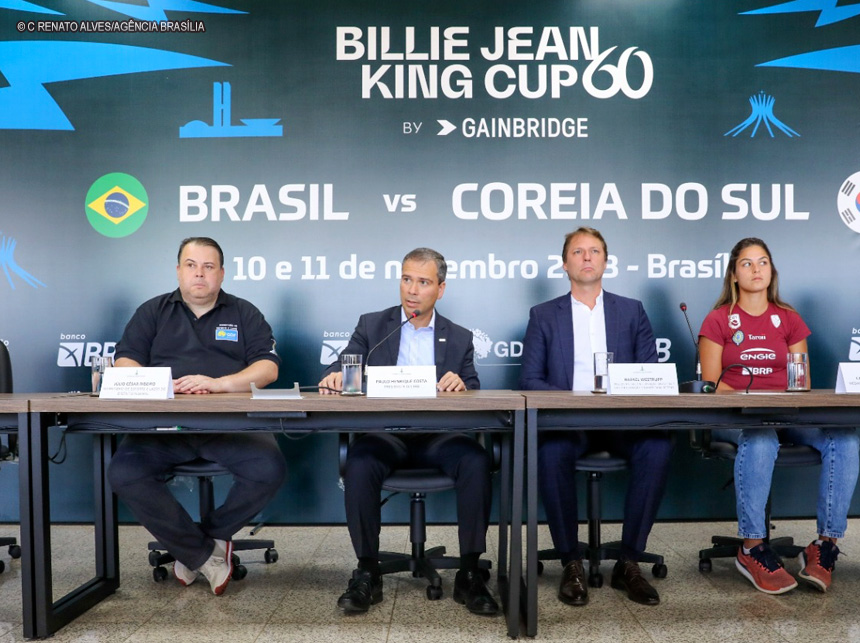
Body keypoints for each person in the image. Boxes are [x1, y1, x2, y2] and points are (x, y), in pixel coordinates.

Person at [318, 247, 499, 616]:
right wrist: (339, 374)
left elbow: (475, 390)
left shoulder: (460, 337)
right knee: (361, 462)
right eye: (406, 279)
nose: (412, 290)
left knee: (477, 461)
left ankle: (469, 572)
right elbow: (347, 364)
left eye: (423, 281)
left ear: (440, 289)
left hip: (440, 437)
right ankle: (367, 571)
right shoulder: (373, 326)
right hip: (386, 434)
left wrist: (461, 383)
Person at [107, 237, 286, 595]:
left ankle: (203, 541)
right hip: (162, 427)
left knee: (270, 468)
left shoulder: (243, 312)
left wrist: (219, 384)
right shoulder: (153, 311)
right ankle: (205, 554)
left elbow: (268, 368)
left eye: (208, 267)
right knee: (124, 472)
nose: (199, 274)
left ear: (221, 273)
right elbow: (124, 360)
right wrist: (158, 384)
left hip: (231, 426)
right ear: (178, 271)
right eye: (191, 265)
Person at [519, 226, 671, 607]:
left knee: (657, 444)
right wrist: (575, 398)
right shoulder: (543, 315)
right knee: (550, 452)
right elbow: (531, 381)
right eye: (578, 252)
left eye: (595, 251)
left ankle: (629, 561)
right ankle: (571, 562)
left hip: (623, 421)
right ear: (565, 262)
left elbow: (650, 373)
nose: (587, 257)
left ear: (605, 260)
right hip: (568, 422)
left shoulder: (631, 310)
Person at [699, 237, 859, 594]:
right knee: (760, 439)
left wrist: (784, 400)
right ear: (733, 275)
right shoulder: (718, 319)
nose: (756, 269)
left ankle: (825, 545)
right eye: (747, 263)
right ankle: (752, 547)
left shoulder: (788, 318)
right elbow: (710, 386)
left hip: (791, 416)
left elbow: (801, 382)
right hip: (738, 419)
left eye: (763, 262)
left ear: (772, 271)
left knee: (846, 437)